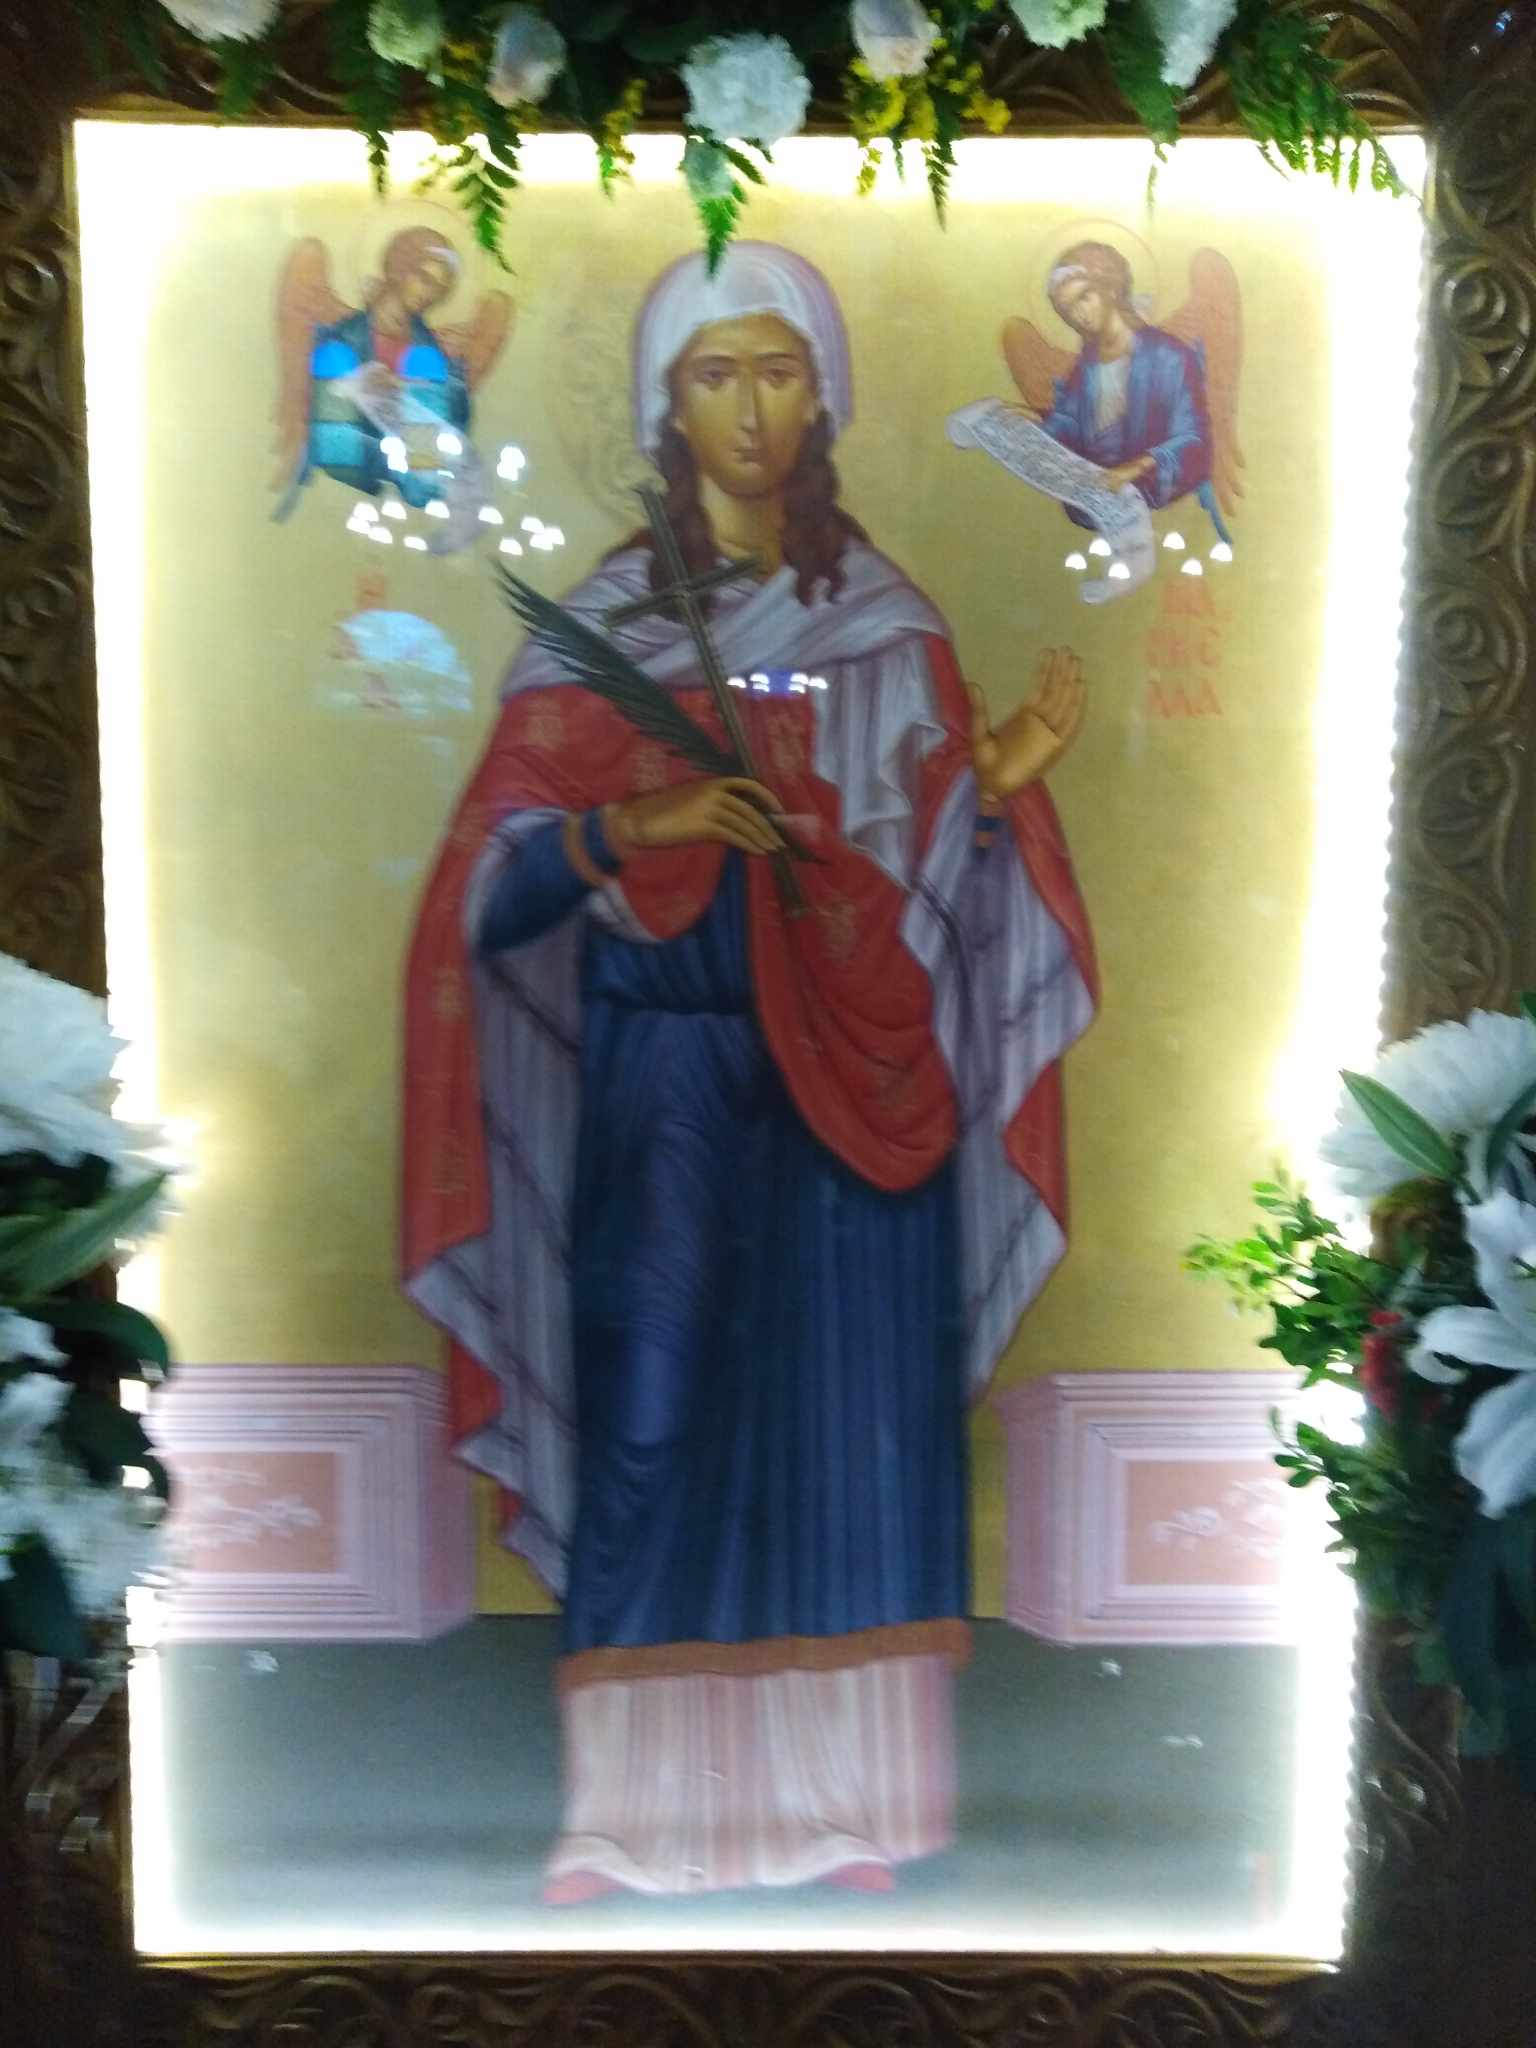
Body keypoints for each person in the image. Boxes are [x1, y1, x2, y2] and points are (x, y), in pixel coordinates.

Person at [402, 241, 1097, 1900]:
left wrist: (996, 789)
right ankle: (629, 1812)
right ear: (667, 402)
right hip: (670, 1071)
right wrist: (625, 824)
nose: (751, 409)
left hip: (861, 1093)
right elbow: (489, 897)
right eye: (715, 374)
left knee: (851, 1433)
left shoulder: (890, 629)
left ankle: (852, 1803)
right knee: (648, 1415)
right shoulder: (603, 631)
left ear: (824, 397)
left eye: (780, 372)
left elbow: (934, 874)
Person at [1028, 240, 1225, 538]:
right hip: (1095, 502)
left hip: (1147, 500)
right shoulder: (1086, 367)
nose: (1079, 314)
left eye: (1085, 297)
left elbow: (1193, 440)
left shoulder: (1168, 356)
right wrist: (1035, 424)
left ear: (1110, 288)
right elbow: (1068, 421)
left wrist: (1137, 468)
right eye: (1068, 309)